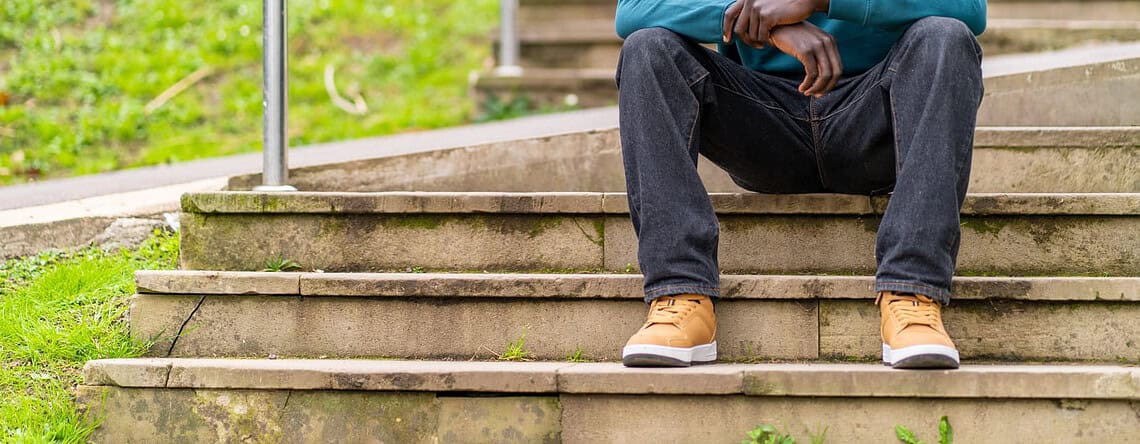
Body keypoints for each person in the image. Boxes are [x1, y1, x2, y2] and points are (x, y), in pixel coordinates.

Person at [615, 0, 986, 369]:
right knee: (647, 48)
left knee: (946, 37)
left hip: (875, 118)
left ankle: (913, 293)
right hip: (762, 121)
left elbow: (969, 8)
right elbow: (633, 10)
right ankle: (681, 293)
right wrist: (765, 22)